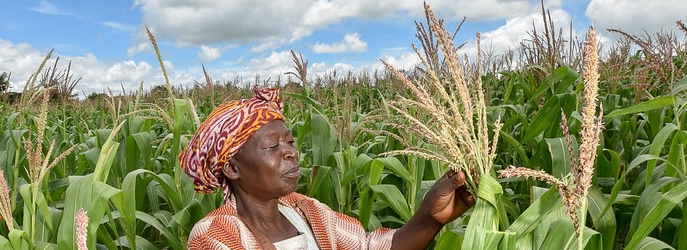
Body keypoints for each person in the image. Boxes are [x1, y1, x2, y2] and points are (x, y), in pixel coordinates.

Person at [180, 87, 475, 249]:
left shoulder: (306, 210)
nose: (291, 153)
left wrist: (429, 218)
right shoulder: (215, 236)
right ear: (232, 167)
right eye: (273, 147)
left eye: (290, 142)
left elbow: (371, 247)